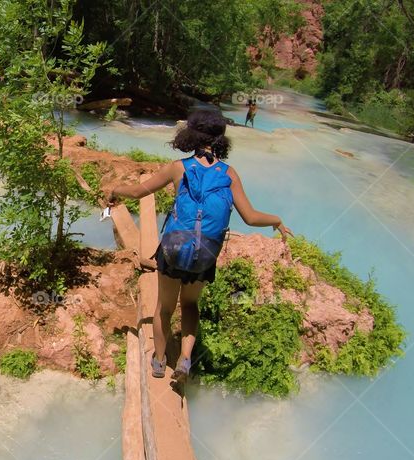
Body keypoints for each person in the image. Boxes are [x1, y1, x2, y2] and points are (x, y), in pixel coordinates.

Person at [104, 110, 292, 387]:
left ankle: (158, 361)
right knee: (190, 304)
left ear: (190, 135)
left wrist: (114, 191)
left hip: (173, 247)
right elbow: (250, 217)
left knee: (164, 308)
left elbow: (138, 192)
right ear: (220, 139)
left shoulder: (178, 168)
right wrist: (276, 221)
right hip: (206, 252)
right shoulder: (229, 174)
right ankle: (185, 359)